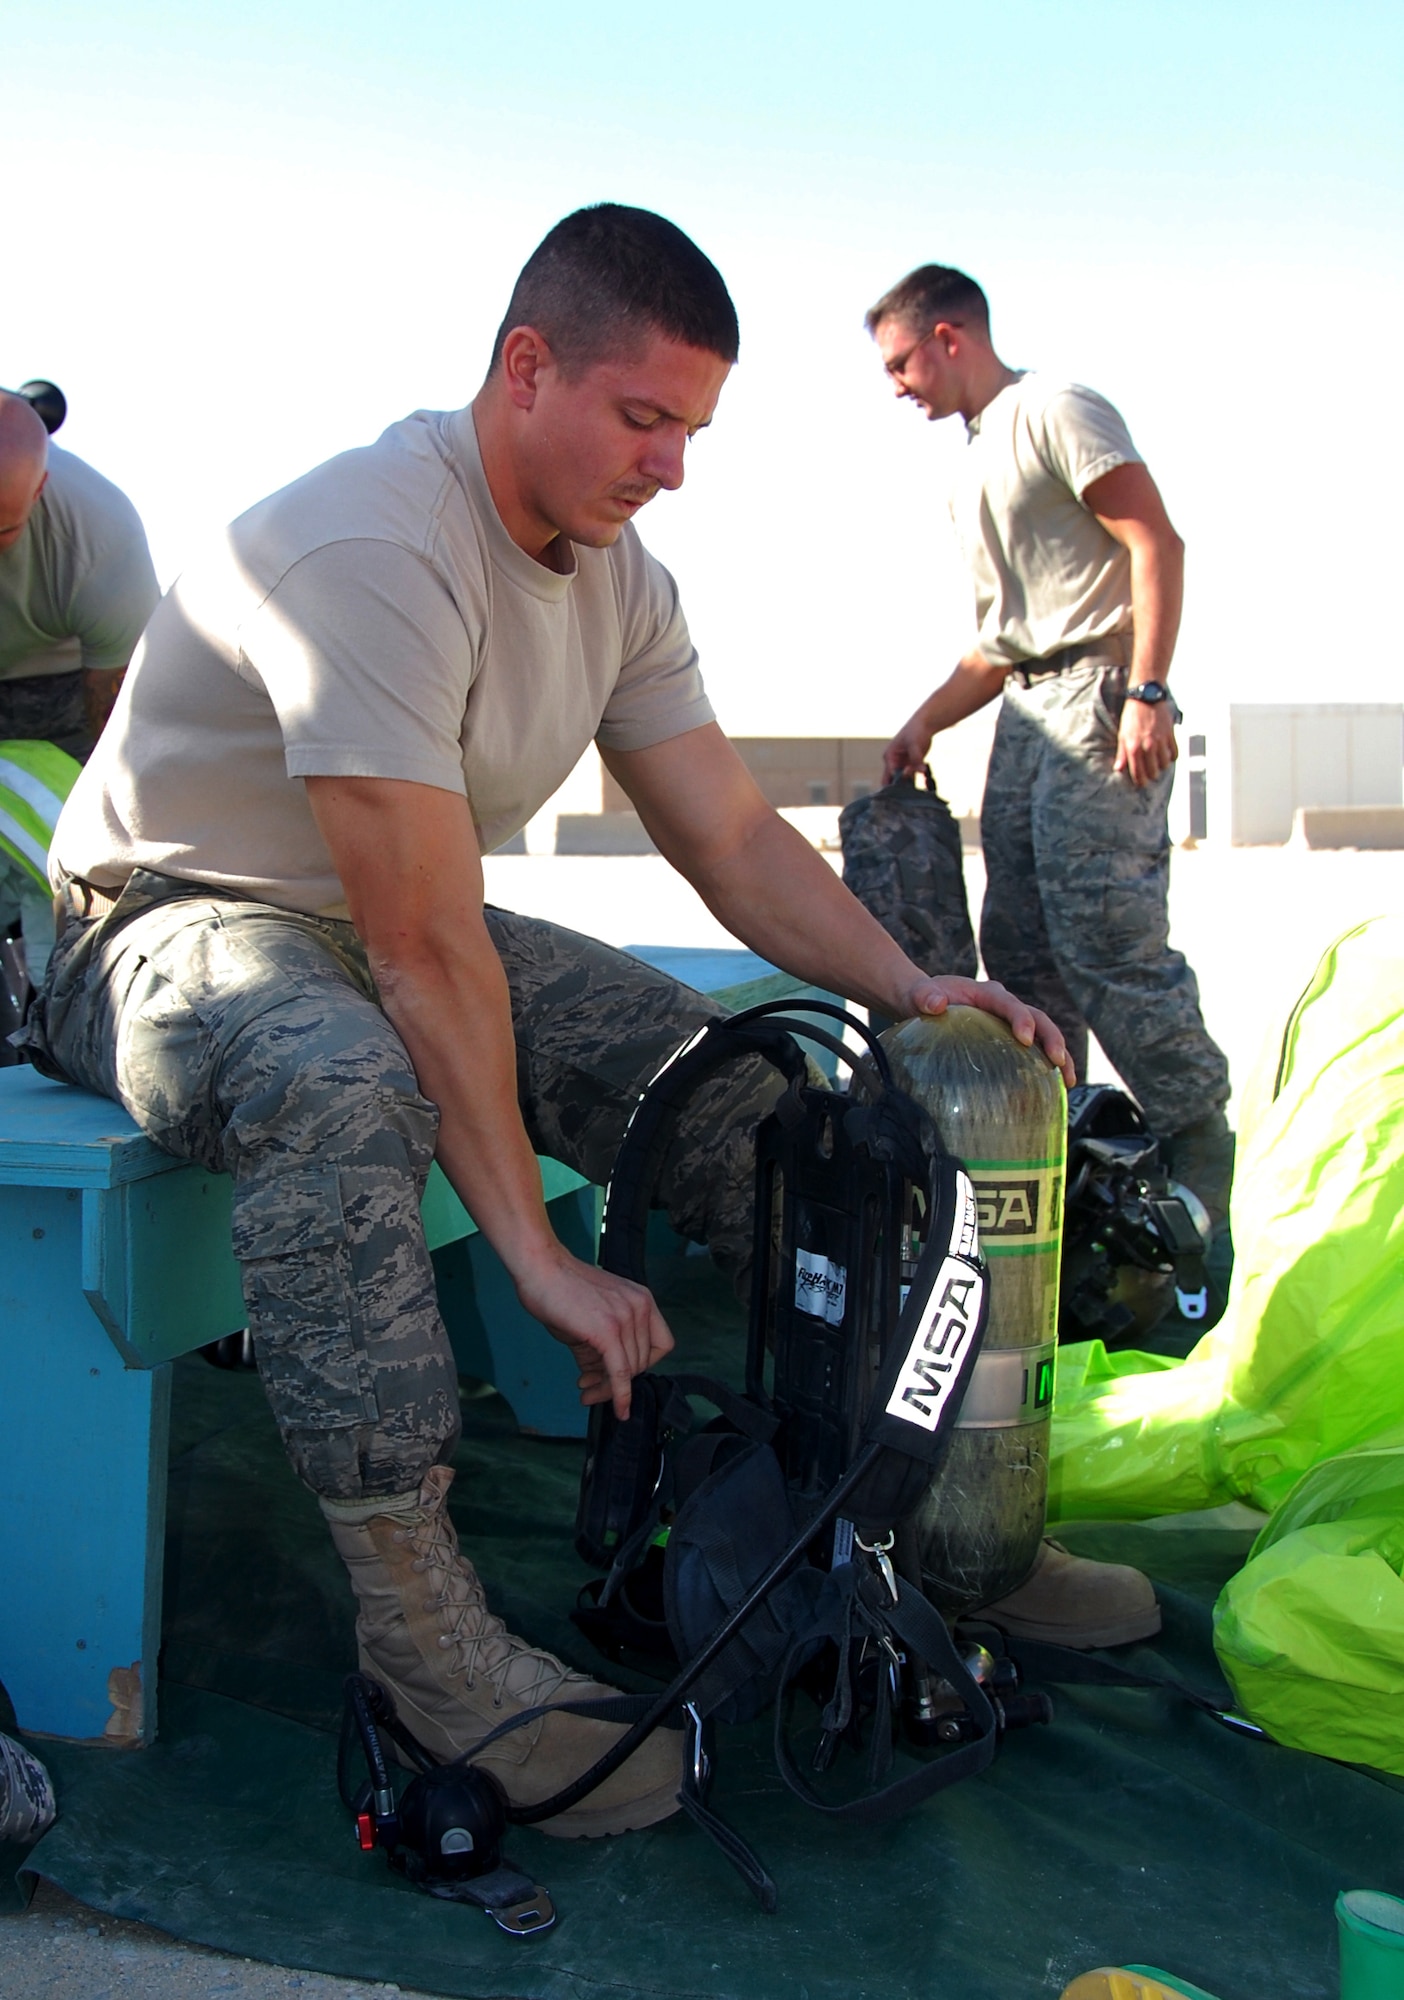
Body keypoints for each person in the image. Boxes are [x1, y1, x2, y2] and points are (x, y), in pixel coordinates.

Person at [26, 207, 1149, 1840]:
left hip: (358, 919)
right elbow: (417, 957)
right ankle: (427, 1645)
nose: (671, 466)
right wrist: (533, 1255)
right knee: (339, 1087)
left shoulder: (621, 579)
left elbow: (730, 833)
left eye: (692, 430)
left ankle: (937, 1531)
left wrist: (904, 985)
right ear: (523, 367)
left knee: (748, 1091)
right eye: (644, 419)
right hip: (155, 927)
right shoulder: (371, 546)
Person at [866, 265, 1233, 1262]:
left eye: (901, 360)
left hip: (1102, 690)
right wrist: (924, 722)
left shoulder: (1054, 408)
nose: (895, 384)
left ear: (950, 335)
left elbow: (1155, 537)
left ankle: (1202, 1152)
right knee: (1023, 952)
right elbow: (1000, 643)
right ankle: (1059, 1161)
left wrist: (1148, 689)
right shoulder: (970, 466)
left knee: (1104, 931)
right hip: (1028, 707)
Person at [0, 391, 158, 985]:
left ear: (37, 493)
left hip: (68, 693)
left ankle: (79, 991)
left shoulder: (98, 534)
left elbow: (123, 727)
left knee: (86, 875)